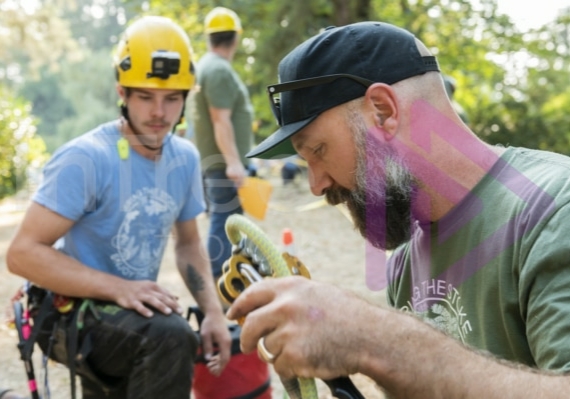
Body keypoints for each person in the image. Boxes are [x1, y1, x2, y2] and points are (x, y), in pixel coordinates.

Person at [226, 21, 570, 397]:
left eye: (318, 150)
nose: (316, 184)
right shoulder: (406, 261)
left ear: (382, 110)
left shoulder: (553, 210)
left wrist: (372, 337)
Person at [6, 15, 231, 399]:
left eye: (172, 98)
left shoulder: (186, 159)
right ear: (122, 94)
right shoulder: (86, 159)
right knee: (171, 336)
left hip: (125, 312)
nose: (159, 112)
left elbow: (189, 243)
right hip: (66, 310)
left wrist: (212, 311)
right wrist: (118, 288)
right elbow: (22, 254)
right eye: (145, 96)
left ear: (185, 99)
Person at [189, 6, 254, 279]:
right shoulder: (216, 70)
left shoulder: (207, 67)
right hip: (222, 163)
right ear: (236, 38)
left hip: (213, 161)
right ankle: (217, 273)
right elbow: (220, 120)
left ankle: (231, 270)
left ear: (209, 37)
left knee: (229, 216)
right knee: (224, 217)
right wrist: (234, 162)